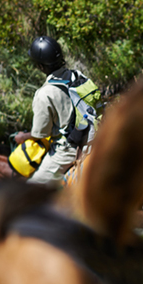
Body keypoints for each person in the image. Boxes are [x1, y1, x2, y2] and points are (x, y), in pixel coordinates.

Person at [13, 35, 100, 184]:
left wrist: (23, 137)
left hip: (71, 148)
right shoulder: (77, 75)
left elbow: (41, 133)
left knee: (33, 187)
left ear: (40, 66)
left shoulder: (44, 94)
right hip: (98, 131)